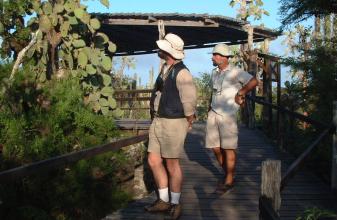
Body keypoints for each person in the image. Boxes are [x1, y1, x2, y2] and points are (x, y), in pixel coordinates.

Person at [145, 33, 197, 220]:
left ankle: (175, 204)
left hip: (173, 122)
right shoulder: (166, 69)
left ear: (168, 50)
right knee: (153, 160)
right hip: (159, 121)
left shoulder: (182, 72)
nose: (159, 49)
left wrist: (188, 120)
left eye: (162, 47)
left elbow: (189, 100)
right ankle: (163, 201)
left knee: (172, 164)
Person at [205, 43, 258, 194]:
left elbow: (254, 81)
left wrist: (240, 92)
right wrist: (210, 106)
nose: (213, 57)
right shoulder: (214, 72)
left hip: (228, 114)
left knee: (228, 147)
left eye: (215, 55)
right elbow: (214, 91)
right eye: (213, 54)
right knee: (214, 147)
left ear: (223, 58)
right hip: (213, 112)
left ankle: (229, 180)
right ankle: (229, 173)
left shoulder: (235, 72)